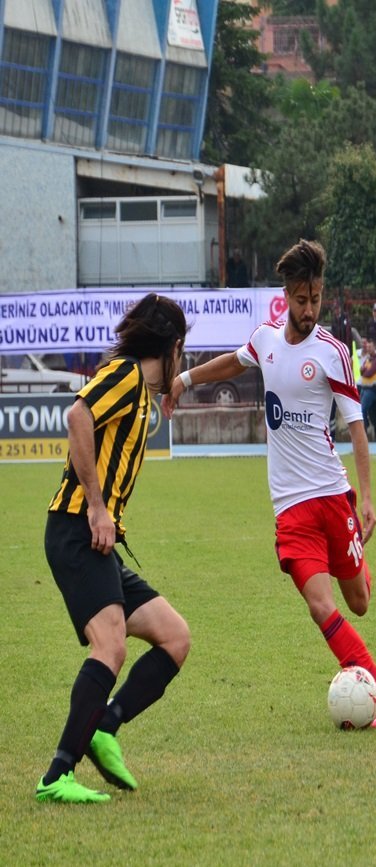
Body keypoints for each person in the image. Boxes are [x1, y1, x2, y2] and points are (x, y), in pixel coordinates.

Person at [163, 239, 376, 729]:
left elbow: (356, 429)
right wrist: (185, 380)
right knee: (321, 606)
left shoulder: (333, 353)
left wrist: (366, 499)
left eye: (316, 299)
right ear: (286, 297)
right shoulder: (266, 341)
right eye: (301, 300)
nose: (310, 309)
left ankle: (353, 560)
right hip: (291, 510)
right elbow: (235, 361)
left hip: (332, 495)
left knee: (358, 602)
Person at [36, 293, 190, 804]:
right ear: (170, 346)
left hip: (97, 540)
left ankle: (105, 728)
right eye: (182, 350)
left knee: (174, 637)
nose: (182, 359)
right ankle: (57, 774)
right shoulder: (125, 375)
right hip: (77, 530)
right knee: (112, 645)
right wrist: (98, 508)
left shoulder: (140, 390)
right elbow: (78, 415)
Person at [358, 337, 376, 433]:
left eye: (370, 347)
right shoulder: (368, 359)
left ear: (375, 347)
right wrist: (363, 371)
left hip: (371, 389)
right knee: (361, 410)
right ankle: (364, 427)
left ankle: (364, 429)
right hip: (364, 388)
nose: (368, 349)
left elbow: (370, 372)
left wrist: (364, 372)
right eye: (367, 347)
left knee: (362, 410)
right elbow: (361, 371)